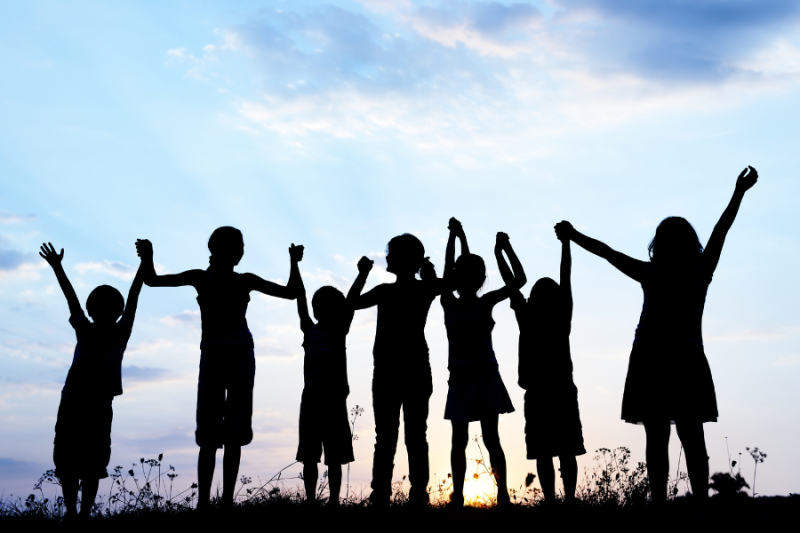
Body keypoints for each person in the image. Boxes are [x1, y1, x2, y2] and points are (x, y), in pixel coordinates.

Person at [555, 166, 759, 503]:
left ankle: (663, 506)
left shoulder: (657, 272)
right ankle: (694, 504)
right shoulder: (696, 269)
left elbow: (608, 253)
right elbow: (722, 229)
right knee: (689, 434)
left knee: (663, 435)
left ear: (659, 244)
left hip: (655, 356)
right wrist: (739, 192)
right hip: (679, 356)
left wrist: (574, 235)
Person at [135, 227, 300, 509]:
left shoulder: (240, 280)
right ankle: (205, 503)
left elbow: (291, 293)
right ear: (221, 249)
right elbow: (151, 280)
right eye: (238, 246)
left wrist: (294, 262)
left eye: (241, 246)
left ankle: (223, 502)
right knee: (210, 430)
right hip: (215, 353)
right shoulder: (202, 277)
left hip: (237, 353)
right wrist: (147, 257)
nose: (241, 251)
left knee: (232, 428)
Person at [40, 242, 144, 522]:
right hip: (74, 402)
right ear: (93, 309)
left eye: (107, 305)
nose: (102, 309)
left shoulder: (118, 332)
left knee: (91, 462)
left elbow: (133, 295)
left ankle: (81, 513)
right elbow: (71, 298)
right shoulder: (85, 329)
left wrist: (144, 265)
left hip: (93, 405)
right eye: (99, 305)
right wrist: (57, 267)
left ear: (116, 311)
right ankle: (75, 513)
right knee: (70, 461)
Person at [349, 233, 447, 506]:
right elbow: (351, 304)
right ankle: (399, 493)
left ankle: (396, 493)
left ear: (405, 259)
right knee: (408, 434)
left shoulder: (397, 290)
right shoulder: (393, 291)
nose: (388, 257)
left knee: (397, 435)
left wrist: (363, 274)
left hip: (401, 370)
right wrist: (363, 274)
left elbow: (351, 303)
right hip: (396, 370)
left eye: (391, 253)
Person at [441, 218, 522, 507]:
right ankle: (459, 496)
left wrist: (504, 250)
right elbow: (451, 266)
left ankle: (502, 495)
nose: (463, 278)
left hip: (485, 378)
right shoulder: (448, 301)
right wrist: (456, 236)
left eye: (470, 274)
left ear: (478, 279)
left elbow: (519, 281)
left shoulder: (484, 302)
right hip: (461, 379)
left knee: (491, 439)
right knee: (458, 442)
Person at [291, 244, 372, 506]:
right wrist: (295, 263)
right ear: (315, 310)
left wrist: (362, 273)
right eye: (320, 305)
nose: (323, 309)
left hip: (334, 397)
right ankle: (312, 499)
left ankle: (334, 501)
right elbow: (300, 296)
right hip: (314, 396)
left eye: (329, 305)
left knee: (335, 455)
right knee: (311, 455)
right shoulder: (309, 330)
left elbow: (350, 300)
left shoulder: (340, 330)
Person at [509, 229, 585, 504]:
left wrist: (566, 244)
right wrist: (503, 249)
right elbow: (511, 283)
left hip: (559, 391)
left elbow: (566, 276)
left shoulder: (559, 319)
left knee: (563, 450)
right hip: (541, 392)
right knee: (547, 451)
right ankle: (555, 501)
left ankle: (566, 500)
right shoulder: (527, 319)